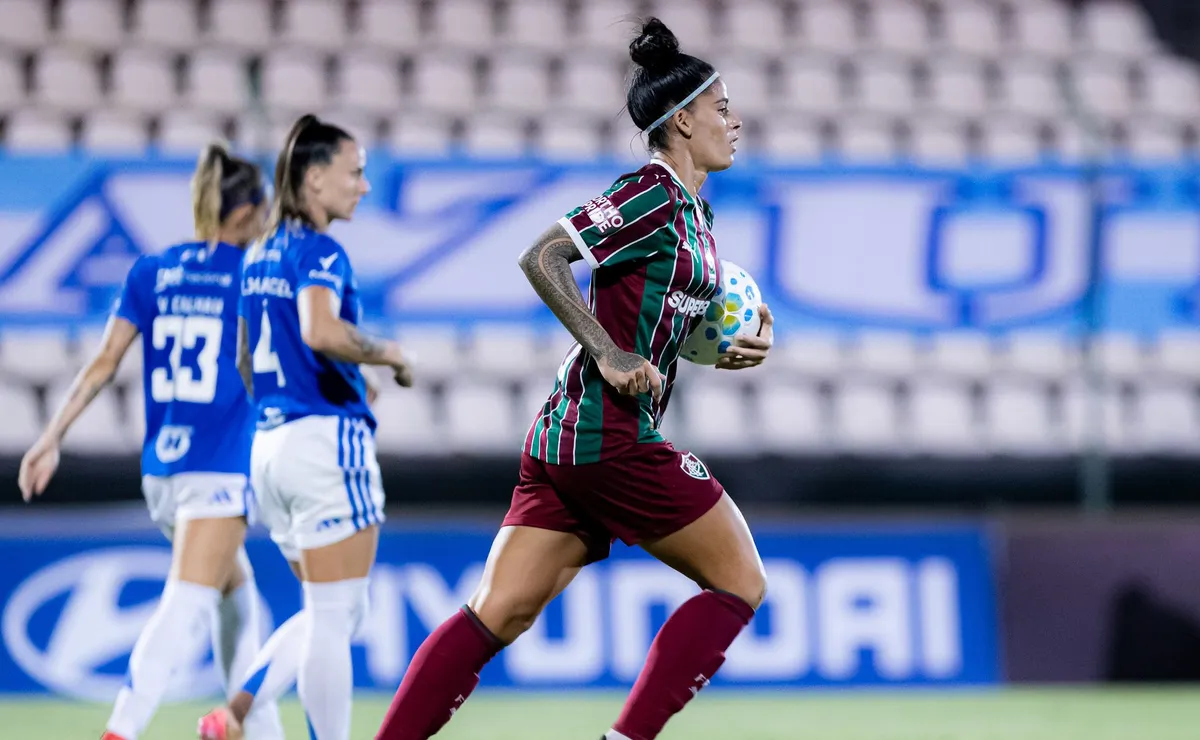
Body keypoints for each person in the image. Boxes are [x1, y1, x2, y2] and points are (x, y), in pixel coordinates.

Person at [374, 17, 774, 740]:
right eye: (721, 108)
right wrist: (611, 355)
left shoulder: (696, 218)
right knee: (741, 580)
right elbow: (544, 256)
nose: (735, 120)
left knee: (498, 613)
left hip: (568, 438)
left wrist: (724, 345)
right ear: (680, 121)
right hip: (607, 435)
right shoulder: (650, 195)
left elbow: (651, 320)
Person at [17, 143, 285, 740]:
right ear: (244, 215)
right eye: (263, 213)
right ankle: (122, 728)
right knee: (187, 602)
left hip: (162, 470)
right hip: (218, 467)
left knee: (236, 599)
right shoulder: (251, 276)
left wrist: (51, 437)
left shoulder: (152, 270)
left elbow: (104, 362)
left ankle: (261, 732)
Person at [197, 114, 413, 740]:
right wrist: (392, 354)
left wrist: (314, 390)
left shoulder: (260, 253)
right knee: (333, 614)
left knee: (340, 611)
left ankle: (234, 714)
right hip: (322, 443)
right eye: (355, 172)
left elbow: (245, 358)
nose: (364, 187)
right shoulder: (320, 251)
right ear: (315, 178)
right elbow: (320, 331)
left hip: (270, 446)